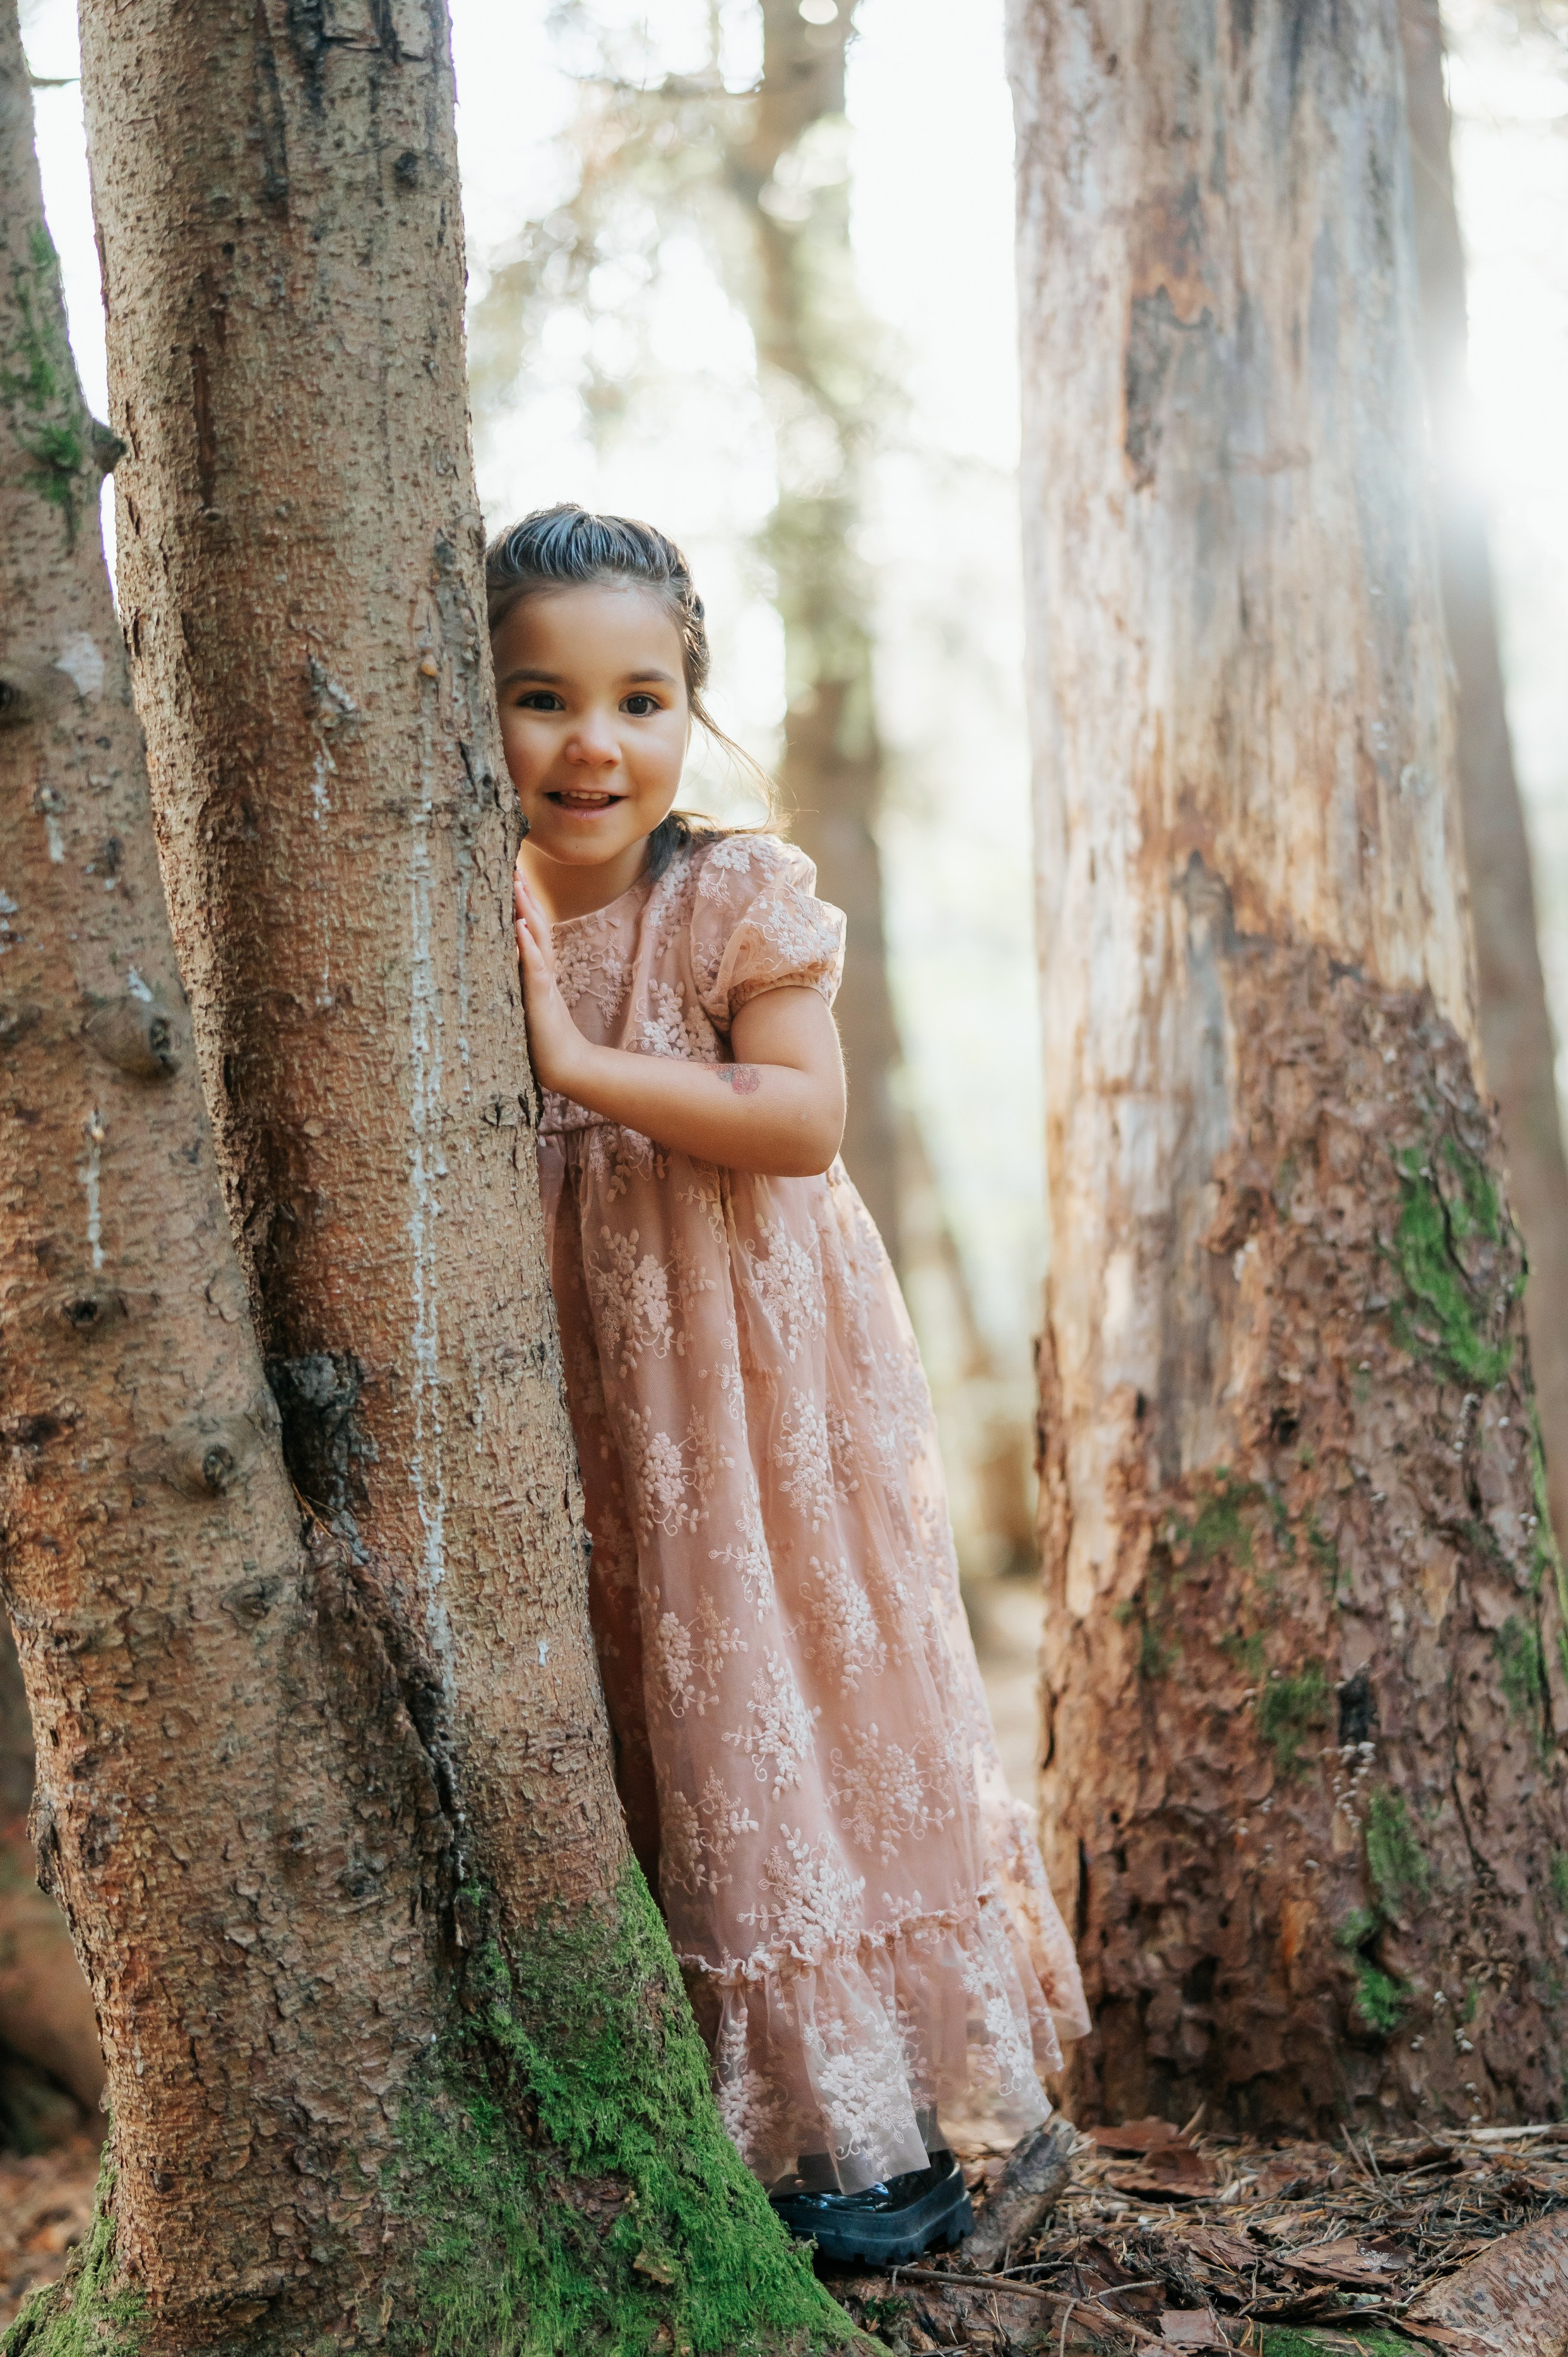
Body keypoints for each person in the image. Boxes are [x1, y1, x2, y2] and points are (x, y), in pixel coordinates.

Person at [492, 504, 1088, 2264]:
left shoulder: (730, 894)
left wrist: (580, 1061)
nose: (594, 741)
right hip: (592, 1392)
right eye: (540, 697)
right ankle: (692, 2100)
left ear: (693, 710)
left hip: (755, 1390)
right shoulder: (461, 908)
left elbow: (803, 1120)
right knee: (642, 1711)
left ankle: (862, 2129)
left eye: (641, 695)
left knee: (783, 1693)